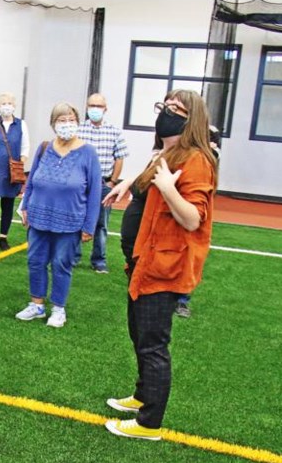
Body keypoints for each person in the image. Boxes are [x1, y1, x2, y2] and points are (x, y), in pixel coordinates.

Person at [104, 90, 217, 440]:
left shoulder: (196, 159)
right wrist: (126, 183)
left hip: (164, 267)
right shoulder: (168, 152)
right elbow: (146, 182)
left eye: (175, 110)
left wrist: (169, 188)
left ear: (190, 118)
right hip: (143, 261)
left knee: (153, 343)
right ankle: (142, 396)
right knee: (139, 333)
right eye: (164, 107)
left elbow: (193, 219)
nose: (166, 114)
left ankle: (149, 423)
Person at [16, 102, 101, 328]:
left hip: (70, 220)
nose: (66, 124)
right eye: (61, 120)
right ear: (53, 124)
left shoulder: (88, 153)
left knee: (62, 264)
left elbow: (95, 192)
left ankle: (58, 309)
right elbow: (32, 180)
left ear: (78, 122)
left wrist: (89, 226)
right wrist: (25, 206)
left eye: (71, 120)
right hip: (38, 217)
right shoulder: (44, 148)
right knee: (36, 261)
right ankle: (36, 305)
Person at [74, 93, 129, 273]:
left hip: (104, 184)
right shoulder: (79, 130)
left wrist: (113, 182)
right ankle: (73, 257)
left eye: (98, 106)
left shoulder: (114, 131)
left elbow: (119, 158)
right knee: (77, 220)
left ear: (105, 109)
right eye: (91, 105)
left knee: (101, 224)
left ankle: (99, 260)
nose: (95, 109)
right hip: (81, 184)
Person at [175, 123, 221, 319]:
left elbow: (213, 158)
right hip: (175, 205)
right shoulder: (177, 139)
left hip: (192, 206)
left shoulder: (209, 140)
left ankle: (182, 300)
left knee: (190, 256)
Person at [0, 92, 29, 251]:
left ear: (14, 106)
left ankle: (3, 237)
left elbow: (25, 149)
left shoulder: (21, 124)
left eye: (9, 103)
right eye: (3, 103)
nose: (6, 106)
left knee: (8, 203)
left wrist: (18, 166)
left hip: (11, 172)